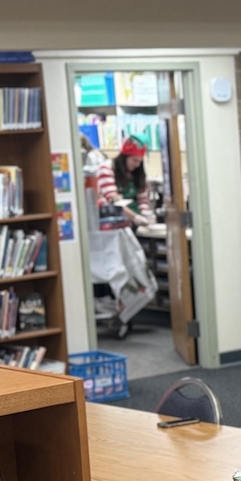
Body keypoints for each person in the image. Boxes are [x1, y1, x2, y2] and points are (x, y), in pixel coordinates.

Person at [89, 135, 156, 338]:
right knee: (114, 271)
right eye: (133, 160)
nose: (136, 165)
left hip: (130, 228)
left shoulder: (137, 173)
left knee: (134, 269)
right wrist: (135, 217)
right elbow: (113, 198)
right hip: (110, 231)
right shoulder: (106, 169)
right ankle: (113, 310)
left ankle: (130, 312)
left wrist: (146, 214)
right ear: (124, 156)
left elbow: (142, 197)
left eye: (139, 161)